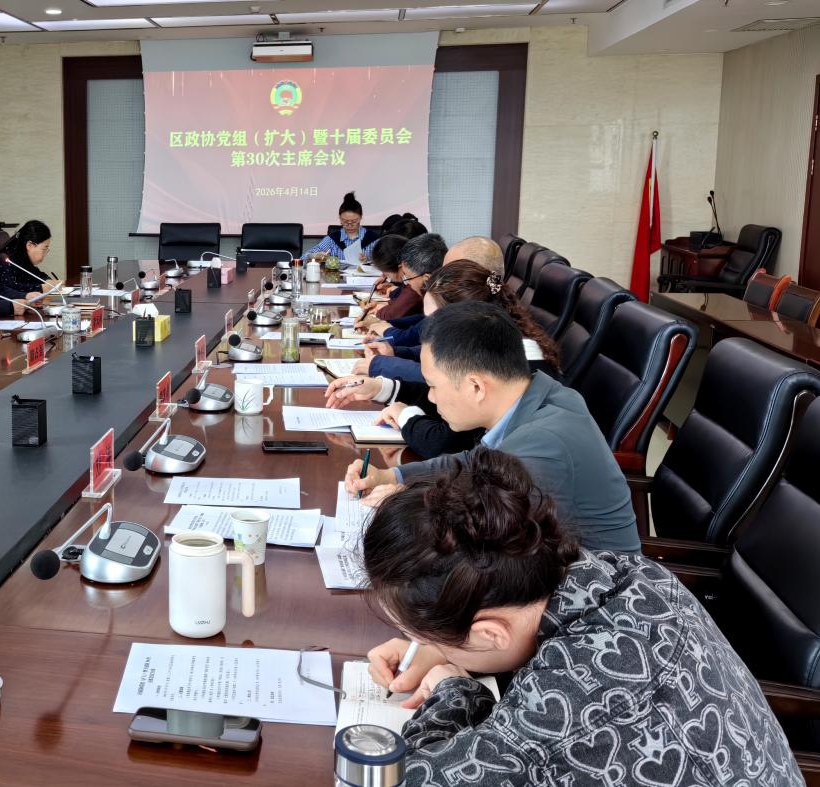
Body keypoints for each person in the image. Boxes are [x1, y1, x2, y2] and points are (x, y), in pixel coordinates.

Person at [359, 448, 803, 786]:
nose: (424, 646)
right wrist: (447, 642)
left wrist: (454, 688)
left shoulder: (562, 711)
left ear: (490, 633)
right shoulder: (626, 572)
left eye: (423, 636)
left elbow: (406, 777)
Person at [346, 301, 639, 552]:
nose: (431, 398)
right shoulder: (541, 394)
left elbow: (497, 549)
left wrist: (405, 500)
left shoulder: (540, 444)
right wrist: (391, 475)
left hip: (591, 588)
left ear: (476, 386)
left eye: (433, 386)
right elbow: (472, 463)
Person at [326, 261, 559, 458]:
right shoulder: (497, 344)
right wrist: (383, 388)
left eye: (433, 321)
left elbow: (446, 442)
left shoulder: (504, 367)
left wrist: (404, 415)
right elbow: (444, 399)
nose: (427, 330)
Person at [355, 233, 448, 383]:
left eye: (407, 277)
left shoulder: (452, 306)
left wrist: (380, 364)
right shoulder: (440, 297)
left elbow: (435, 375)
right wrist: (394, 350)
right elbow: (423, 323)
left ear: (426, 279)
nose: (407, 284)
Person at [306, 191, 378, 266]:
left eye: (354, 221)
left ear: (360, 218)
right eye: (345, 221)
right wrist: (315, 256)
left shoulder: (372, 239)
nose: (349, 225)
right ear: (340, 219)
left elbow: (384, 263)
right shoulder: (332, 240)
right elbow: (304, 257)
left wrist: (368, 260)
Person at [0, 219, 56, 293]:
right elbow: (8, 288)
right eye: (44, 249)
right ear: (29, 245)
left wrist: (48, 281)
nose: (45, 254)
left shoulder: (23, 256)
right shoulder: (5, 259)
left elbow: (36, 274)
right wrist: (40, 288)